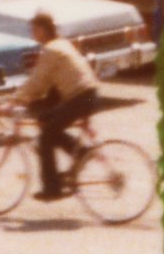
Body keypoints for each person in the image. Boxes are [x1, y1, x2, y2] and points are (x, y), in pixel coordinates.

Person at [8, 11, 101, 200]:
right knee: (45, 121)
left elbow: (38, 81)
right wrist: (29, 101)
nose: (32, 33)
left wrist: (14, 101)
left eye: (34, 29)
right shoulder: (62, 44)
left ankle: (52, 188)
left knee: (46, 138)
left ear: (42, 30)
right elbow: (48, 84)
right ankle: (81, 153)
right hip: (87, 94)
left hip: (81, 96)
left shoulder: (51, 50)